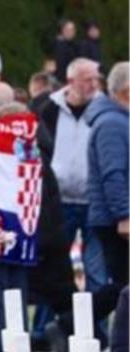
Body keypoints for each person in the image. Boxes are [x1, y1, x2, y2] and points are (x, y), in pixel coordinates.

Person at [0, 82, 44, 352]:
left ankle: (0, 351)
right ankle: (20, 346)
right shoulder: (31, 133)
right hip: (26, 219)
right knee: (18, 288)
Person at [38, 58, 106, 296]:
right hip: (60, 201)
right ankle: (46, 328)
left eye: (96, 79)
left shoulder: (103, 109)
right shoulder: (49, 109)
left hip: (94, 200)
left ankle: (97, 327)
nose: (94, 84)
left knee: (97, 268)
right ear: (70, 81)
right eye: (87, 79)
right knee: (55, 266)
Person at [86, 61, 128, 291]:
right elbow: (113, 174)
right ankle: (66, 324)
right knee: (121, 288)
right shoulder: (112, 124)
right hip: (116, 219)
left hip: (117, 215)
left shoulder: (120, 120)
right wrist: (124, 215)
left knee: (121, 287)